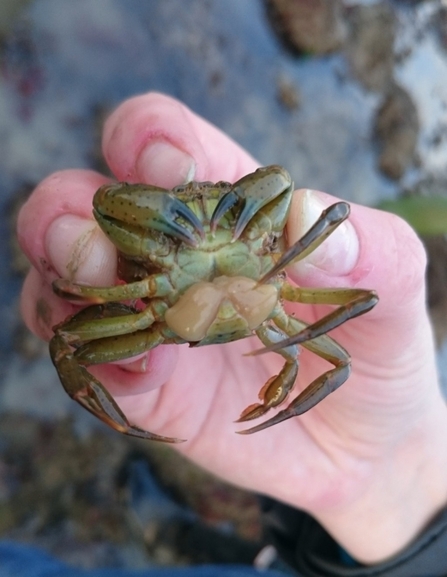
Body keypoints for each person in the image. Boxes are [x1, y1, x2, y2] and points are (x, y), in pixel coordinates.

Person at [13, 92, 447, 577]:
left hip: (223, 315)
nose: (206, 224)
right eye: (188, 212)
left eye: (223, 207)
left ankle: (183, 539)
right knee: (66, 339)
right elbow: (67, 330)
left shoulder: (284, 284)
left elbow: (352, 313)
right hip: (156, 312)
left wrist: (370, 467)